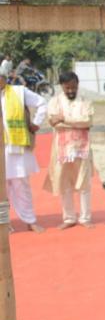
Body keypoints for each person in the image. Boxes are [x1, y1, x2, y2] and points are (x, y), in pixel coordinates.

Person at [44, 71, 95, 229]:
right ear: (62, 87)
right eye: (67, 88)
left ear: (77, 85)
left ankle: (85, 218)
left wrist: (64, 119)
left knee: (84, 183)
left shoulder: (86, 101)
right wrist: (74, 123)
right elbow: (53, 123)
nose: (71, 91)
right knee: (65, 183)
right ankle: (69, 218)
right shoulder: (54, 102)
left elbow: (87, 122)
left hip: (82, 148)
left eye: (74, 87)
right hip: (62, 149)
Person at [0, 70, 47, 233]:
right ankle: (4, 224)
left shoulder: (19, 92)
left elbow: (42, 102)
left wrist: (36, 123)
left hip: (17, 148)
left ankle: (30, 220)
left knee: (22, 186)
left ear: (5, 78)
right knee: (1, 188)